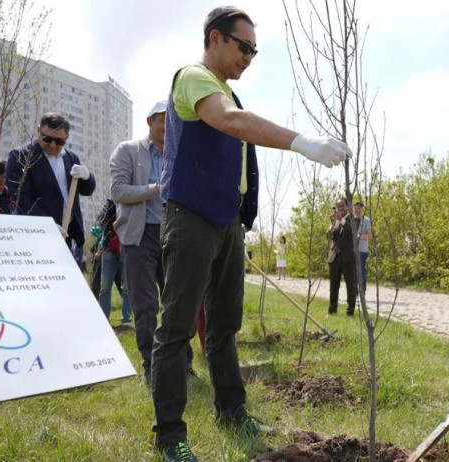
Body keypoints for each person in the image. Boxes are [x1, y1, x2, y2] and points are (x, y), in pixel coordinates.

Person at [151, 6, 350, 461]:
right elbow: (232, 124)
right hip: (190, 216)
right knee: (177, 328)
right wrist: (302, 143)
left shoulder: (226, 91)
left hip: (225, 222)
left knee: (224, 325)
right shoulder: (194, 77)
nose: (250, 57)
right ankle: (169, 437)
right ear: (216, 38)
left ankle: (232, 410)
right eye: (244, 47)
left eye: (255, 51)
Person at [110, 101, 195, 384]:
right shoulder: (127, 151)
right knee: (145, 304)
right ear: (150, 121)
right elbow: (118, 191)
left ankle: (184, 364)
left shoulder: (179, 154)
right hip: (138, 236)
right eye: (163, 121)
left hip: (173, 233)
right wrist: (155, 189)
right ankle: (151, 365)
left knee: (178, 303)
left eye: (172, 122)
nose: (168, 127)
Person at [6, 113, 96, 250]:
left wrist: (88, 176)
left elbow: (86, 190)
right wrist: (47, 224)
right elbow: (20, 198)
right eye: (47, 139)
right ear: (38, 131)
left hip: (66, 233)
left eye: (59, 141)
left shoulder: (72, 158)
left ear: (67, 137)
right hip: (35, 234)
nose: (53, 145)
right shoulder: (21, 156)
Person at [94, 199, 132, 326]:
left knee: (127, 287)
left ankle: (126, 320)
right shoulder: (109, 205)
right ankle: (104, 320)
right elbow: (101, 222)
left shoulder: (131, 204)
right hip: (109, 251)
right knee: (105, 287)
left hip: (126, 249)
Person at [327, 198, 357, 316]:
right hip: (334, 256)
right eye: (338, 206)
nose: (340, 208)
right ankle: (332, 311)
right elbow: (330, 236)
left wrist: (342, 221)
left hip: (347, 258)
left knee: (350, 286)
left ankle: (350, 312)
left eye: (342, 206)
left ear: (348, 207)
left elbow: (352, 232)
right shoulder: (335, 221)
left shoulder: (353, 219)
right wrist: (333, 225)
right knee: (333, 286)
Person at [353, 201, 372, 292]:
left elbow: (370, 236)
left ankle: (362, 292)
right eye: (355, 208)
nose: (357, 210)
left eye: (358, 208)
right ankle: (354, 292)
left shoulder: (366, 220)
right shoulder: (352, 219)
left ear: (362, 209)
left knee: (361, 272)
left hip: (362, 250)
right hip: (352, 250)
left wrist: (358, 236)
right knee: (353, 273)